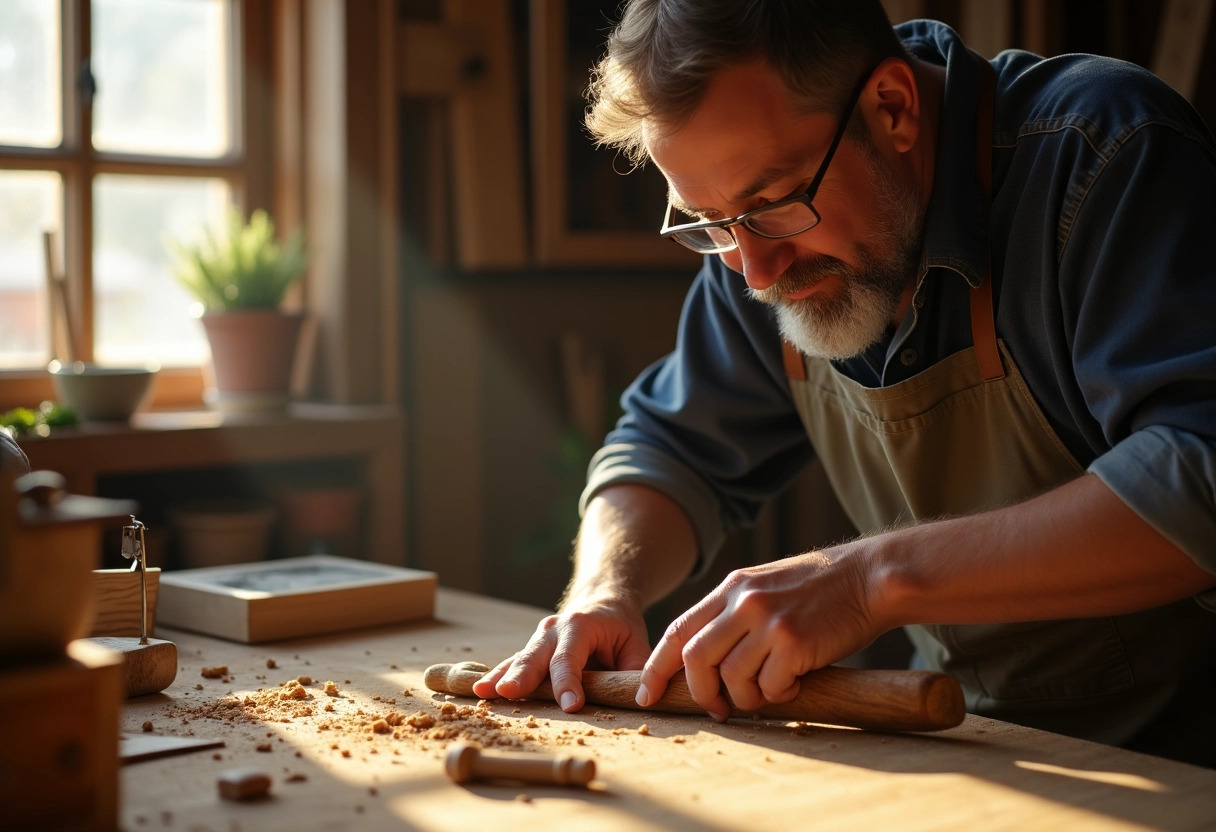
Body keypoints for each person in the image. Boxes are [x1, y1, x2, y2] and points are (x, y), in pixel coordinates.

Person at [473, 0, 1216, 766]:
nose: (754, 272)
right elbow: (668, 447)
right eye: (708, 221)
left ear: (892, 108)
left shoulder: (1102, 153)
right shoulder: (751, 244)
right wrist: (604, 589)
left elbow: (1200, 473)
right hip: (983, 749)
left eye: (774, 204)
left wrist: (865, 582)